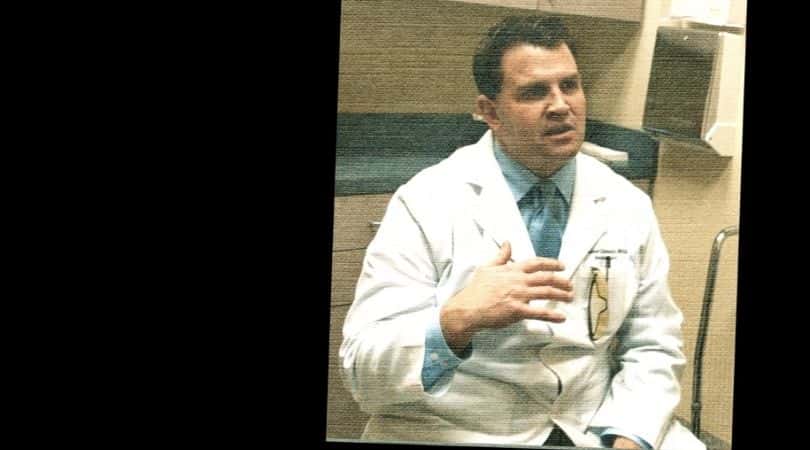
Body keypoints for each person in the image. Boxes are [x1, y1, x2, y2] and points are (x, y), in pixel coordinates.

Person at [339, 15, 704, 450]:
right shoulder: (426, 202)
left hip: (592, 425)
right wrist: (457, 319)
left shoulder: (627, 203)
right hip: (459, 427)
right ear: (490, 112)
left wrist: (630, 435)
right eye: (534, 92)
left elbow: (654, 345)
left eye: (570, 85)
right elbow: (361, 370)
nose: (561, 105)